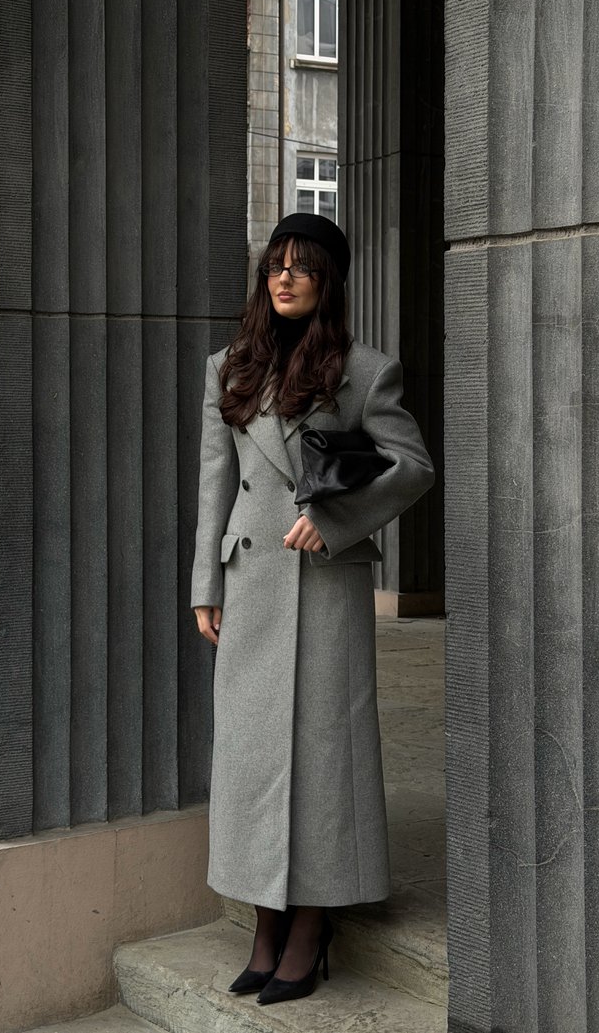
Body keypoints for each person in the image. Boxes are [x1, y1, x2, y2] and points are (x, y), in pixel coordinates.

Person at [191, 213, 434, 1005]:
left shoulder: (365, 370)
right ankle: (265, 920)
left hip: (324, 585)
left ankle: (310, 922)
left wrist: (336, 519)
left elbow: (412, 466)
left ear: (328, 281)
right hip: (251, 581)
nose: (285, 278)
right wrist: (204, 584)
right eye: (276, 266)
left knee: (323, 753)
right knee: (252, 754)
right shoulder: (228, 367)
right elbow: (214, 484)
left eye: (302, 267)